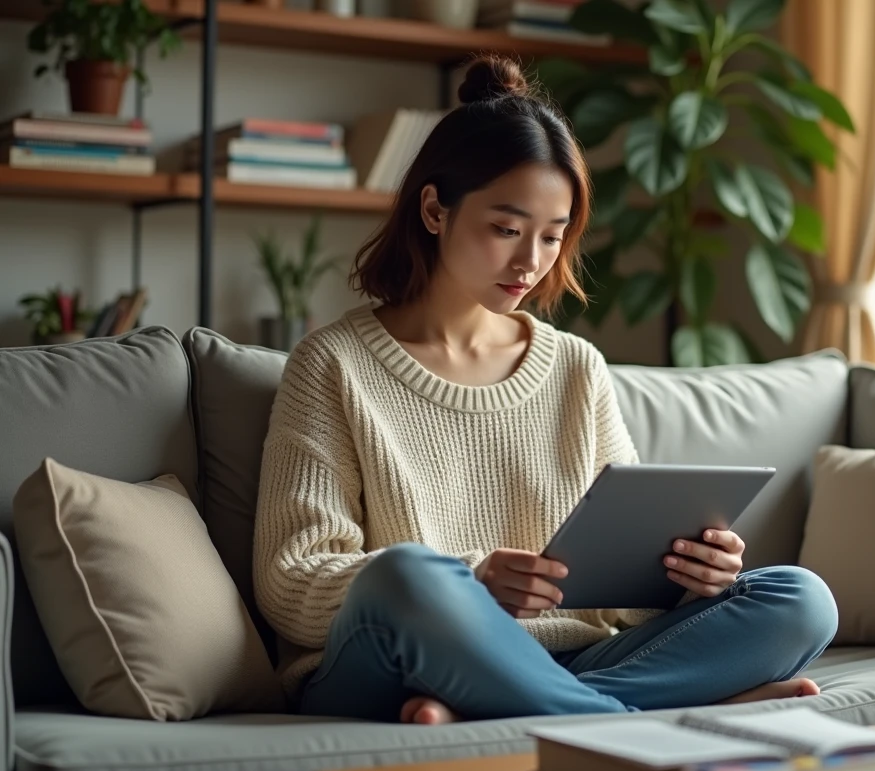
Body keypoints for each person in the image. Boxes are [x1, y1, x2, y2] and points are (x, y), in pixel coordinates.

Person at [252, 54, 838, 726]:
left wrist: (689, 576)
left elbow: (625, 596)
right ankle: (630, 718)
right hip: (393, 661)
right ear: (435, 210)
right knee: (408, 577)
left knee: (799, 599)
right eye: (506, 230)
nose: (530, 262)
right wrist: (471, 581)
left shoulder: (576, 367)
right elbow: (292, 579)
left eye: (553, 237)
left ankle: (516, 708)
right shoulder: (333, 364)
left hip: (571, 659)